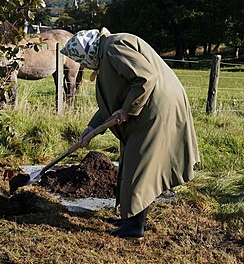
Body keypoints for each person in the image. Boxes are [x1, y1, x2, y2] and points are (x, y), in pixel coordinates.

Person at [60, 28, 200, 239]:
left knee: (139, 164)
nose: (83, 66)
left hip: (156, 110)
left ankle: (134, 227)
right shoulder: (107, 52)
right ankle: (130, 216)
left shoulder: (114, 47)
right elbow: (112, 102)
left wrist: (127, 110)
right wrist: (91, 128)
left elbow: (145, 78)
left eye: (82, 60)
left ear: (87, 52)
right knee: (132, 160)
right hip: (148, 110)